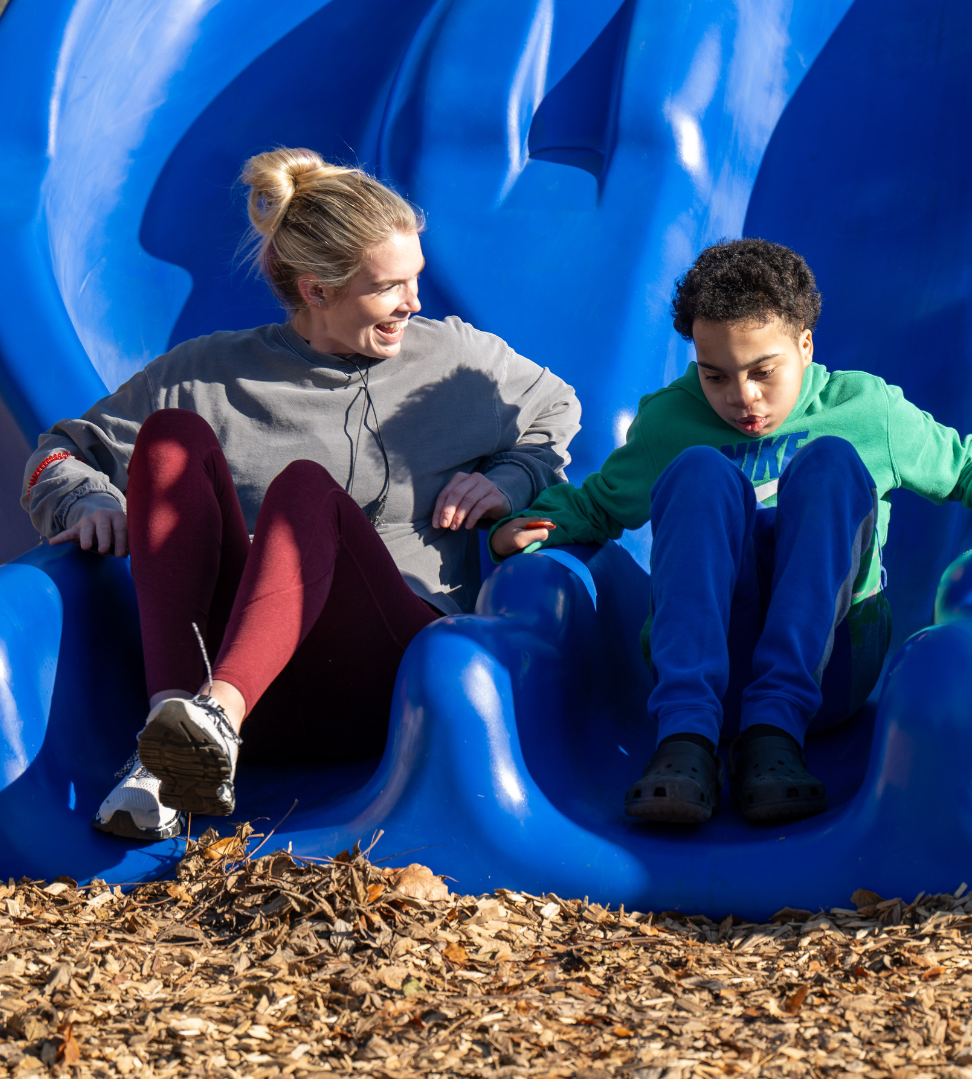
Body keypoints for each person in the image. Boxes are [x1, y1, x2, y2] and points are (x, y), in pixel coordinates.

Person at [23, 147, 580, 841]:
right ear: (316, 290)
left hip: (388, 676)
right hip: (255, 685)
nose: (413, 302)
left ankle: (209, 724)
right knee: (168, 438)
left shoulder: (455, 362)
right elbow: (59, 452)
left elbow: (557, 411)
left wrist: (508, 479)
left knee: (305, 491)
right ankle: (170, 751)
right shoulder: (211, 372)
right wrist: (87, 501)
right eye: (389, 288)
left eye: (416, 279)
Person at [490, 238, 972, 826]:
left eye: (763, 372)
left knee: (833, 464)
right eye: (716, 376)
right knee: (697, 470)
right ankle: (685, 742)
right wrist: (525, 528)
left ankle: (775, 730)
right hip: (705, 677)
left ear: (805, 345)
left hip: (829, 672)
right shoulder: (671, 419)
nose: (743, 398)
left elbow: (965, 462)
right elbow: (597, 506)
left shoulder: (866, 408)